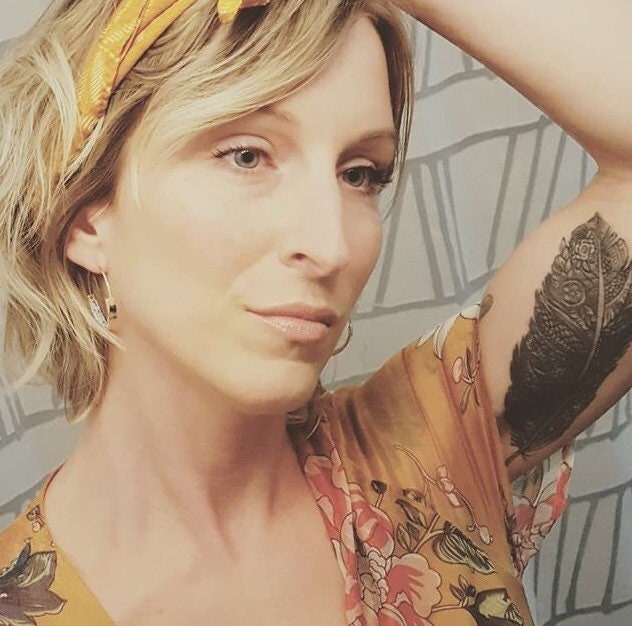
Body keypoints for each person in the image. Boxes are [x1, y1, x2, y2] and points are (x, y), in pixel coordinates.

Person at [0, 0, 628, 624]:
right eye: (247, 156)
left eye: (360, 174)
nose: (332, 247)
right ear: (85, 216)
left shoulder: (428, 457)